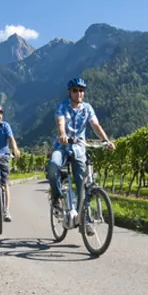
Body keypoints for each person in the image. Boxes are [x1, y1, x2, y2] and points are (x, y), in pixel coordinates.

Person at [46, 78, 115, 232]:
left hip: (79, 149)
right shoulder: (63, 106)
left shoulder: (87, 108)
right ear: (69, 93)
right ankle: (56, 197)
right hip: (62, 147)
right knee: (53, 166)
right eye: (75, 90)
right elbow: (60, 122)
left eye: (81, 90)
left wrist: (106, 140)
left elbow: (95, 125)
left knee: (83, 184)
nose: (79, 93)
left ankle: (85, 218)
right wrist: (63, 134)